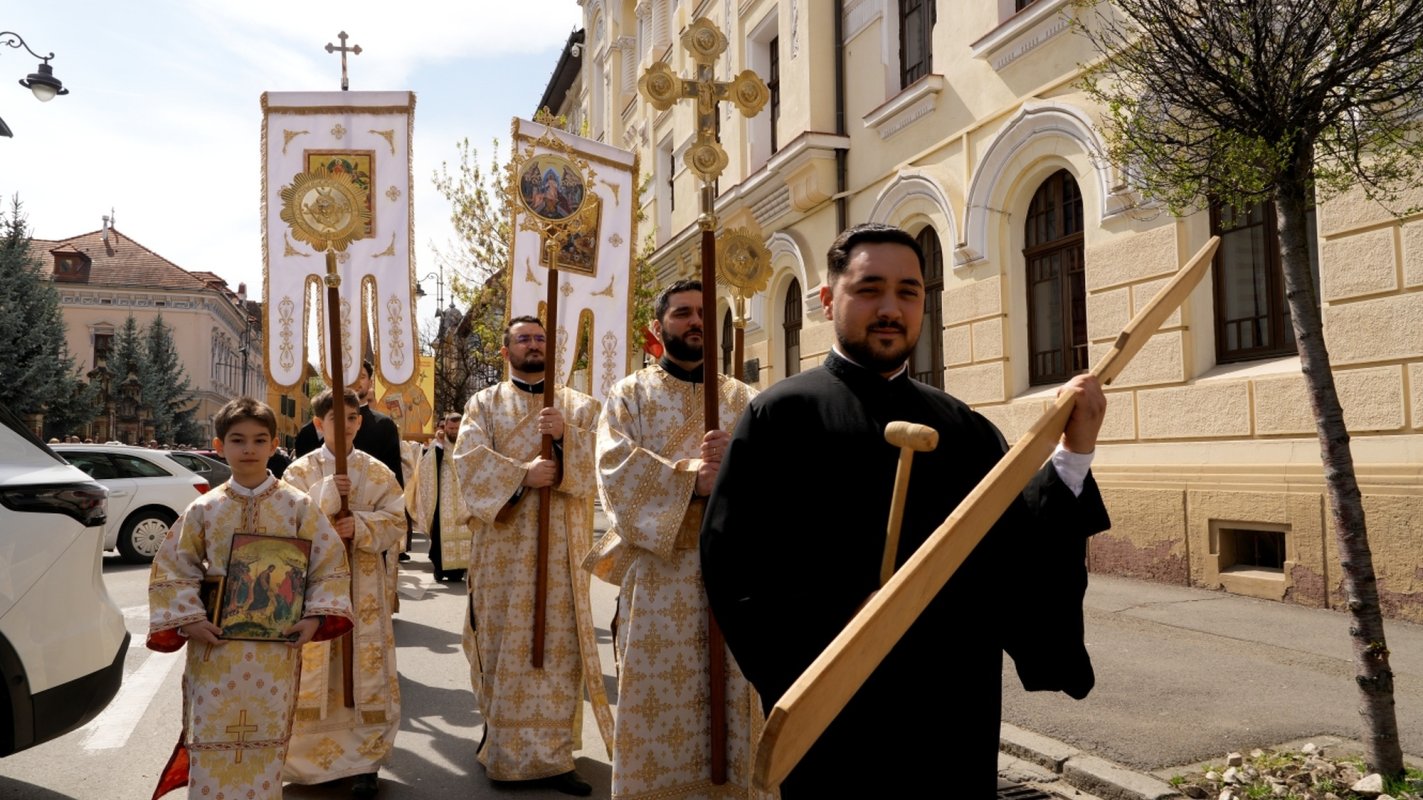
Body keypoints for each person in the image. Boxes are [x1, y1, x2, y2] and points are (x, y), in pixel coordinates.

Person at [699, 223, 1112, 798]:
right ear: (827, 300)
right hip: (837, 712)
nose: (890, 308)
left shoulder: (964, 428)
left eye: (909, 291)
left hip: (951, 710)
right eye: (869, 289)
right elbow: (735, 568)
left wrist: (1074, 452)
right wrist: (845, 618)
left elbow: (1019, 557)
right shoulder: (780, 418)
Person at [586, 281, 769, 800]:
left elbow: (775, 472)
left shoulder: (744, 399)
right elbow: (612, 470)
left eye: (703, 315)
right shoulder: (630, 395)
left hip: (734, 574)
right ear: (658, 325)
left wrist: (734, 466)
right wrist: (691, 476)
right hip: (659, 578)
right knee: (655, 697)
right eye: (683, 313)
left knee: (738, 693)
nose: (695, 323)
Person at [146, 397, 353, 800]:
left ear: (274, 444)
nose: (249, 449)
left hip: (274, 654)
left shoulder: (298, 505)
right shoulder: (205, 508)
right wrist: (189, 618)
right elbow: (175, 566)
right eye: (238, 440)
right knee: (211, 737)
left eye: (259, 440)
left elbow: (329, 564)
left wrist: (313, 618)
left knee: (265, 742)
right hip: (216, 647)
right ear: (219, 445)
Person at [451, 316, 612, 796]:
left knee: (557, 650)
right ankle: (500, 741)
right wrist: (523, 475)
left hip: (561, 549)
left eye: (541, 338)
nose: (533, 345)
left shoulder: (579, 406)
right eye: (523, 339)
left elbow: (600, 468)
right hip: (503, 550)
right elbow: (468, 465)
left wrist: (566, 438)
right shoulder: (483, 404)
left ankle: (554, 756)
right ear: (506, 352)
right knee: (503, 644)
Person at [281, 388, 406, 798]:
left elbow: (398, 522)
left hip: (364, 585)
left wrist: (363, 526)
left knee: (364, 671)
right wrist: (326, 501)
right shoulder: (298, 473)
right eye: (337, 418)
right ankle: (310, 761)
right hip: (315, 586)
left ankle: (365, 762)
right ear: (319, 424)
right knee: (318, 668)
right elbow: (286, 524)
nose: (348, 424)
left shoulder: (377, 472)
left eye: (353, 417)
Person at [409, 412, 472, 582]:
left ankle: (460, 568)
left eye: (457, 428)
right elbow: (426, 467)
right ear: (445, 427)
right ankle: (440, 568)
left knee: (465, 529)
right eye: (451, 428)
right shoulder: (439, 445)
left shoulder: (469, 443)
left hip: (461, 497)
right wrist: (439, 446)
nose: (453, 431)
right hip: (442, 497)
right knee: (440, 530)